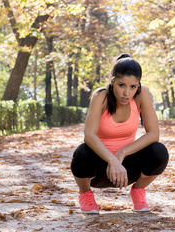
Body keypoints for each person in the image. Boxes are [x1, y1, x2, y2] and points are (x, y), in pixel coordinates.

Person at [70, 53, 169, 214]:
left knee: (159, 151)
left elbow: (153, 134)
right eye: (121, 85)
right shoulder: (100, 96)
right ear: (112, 80)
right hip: (100, 169)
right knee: (82, 153)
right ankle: (85, 194)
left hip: (127, 169)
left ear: (138, 85)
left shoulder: (142, 94)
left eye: (133, 87)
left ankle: (138, 191)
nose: (126, 93)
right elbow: (89, 135)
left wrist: (122, 153)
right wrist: (111, 159)